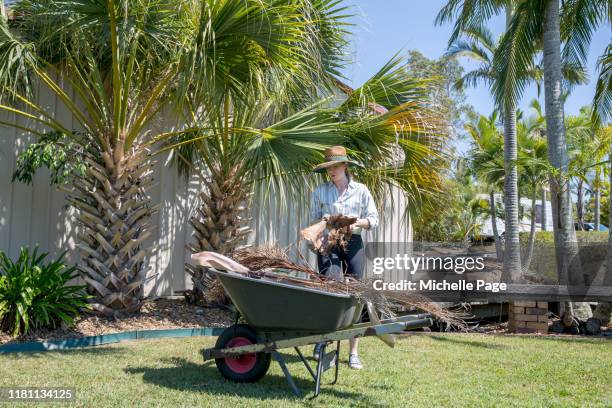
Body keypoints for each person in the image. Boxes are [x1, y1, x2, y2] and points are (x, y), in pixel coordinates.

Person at [308, 145, 379, 370]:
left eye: (336, 165)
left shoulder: (362, 190)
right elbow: (313, 221)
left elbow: (374, 219)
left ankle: (354, 353)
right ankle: (322, 343)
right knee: (328, 290)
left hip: (354, 242)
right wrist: (317, 242)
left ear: (345, 166)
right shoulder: (319, 192)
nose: (332, 170)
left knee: (356, 295)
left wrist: (355, 222)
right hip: (329, 242)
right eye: (329, 167)